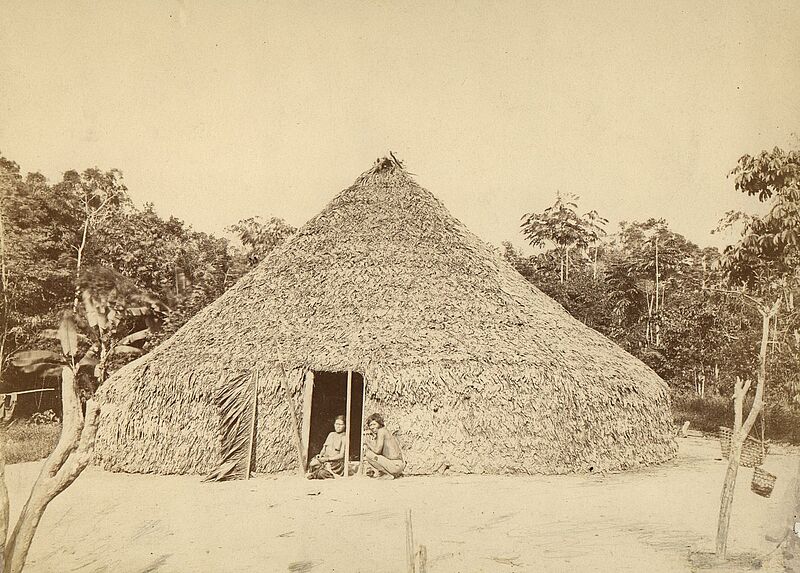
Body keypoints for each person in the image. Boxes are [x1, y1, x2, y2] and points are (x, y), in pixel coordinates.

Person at [362, 413, 405, 480]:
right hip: (397, 465)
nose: (372, 427)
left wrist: (367, 442)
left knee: (368, 454)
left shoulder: (381, 431)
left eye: (374, 424)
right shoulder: (383, 432)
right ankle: (389, 473)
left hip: (395, 465)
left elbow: (377, 451)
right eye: (370, 425)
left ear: (379, 424)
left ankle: (387, 474)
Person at [306, 415, 346, 479]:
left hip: (335, 464)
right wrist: (320, 454)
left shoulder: (344, 437)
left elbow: (341, 455)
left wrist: (328, 459)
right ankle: (318, 473)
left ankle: (316, 474)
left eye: (341, 424)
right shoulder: (331, 434)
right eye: (336, 424)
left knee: (322, 473)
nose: (338, 426)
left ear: (344, 426)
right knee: (312, 463)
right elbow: (324, 448)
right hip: (325, 459)